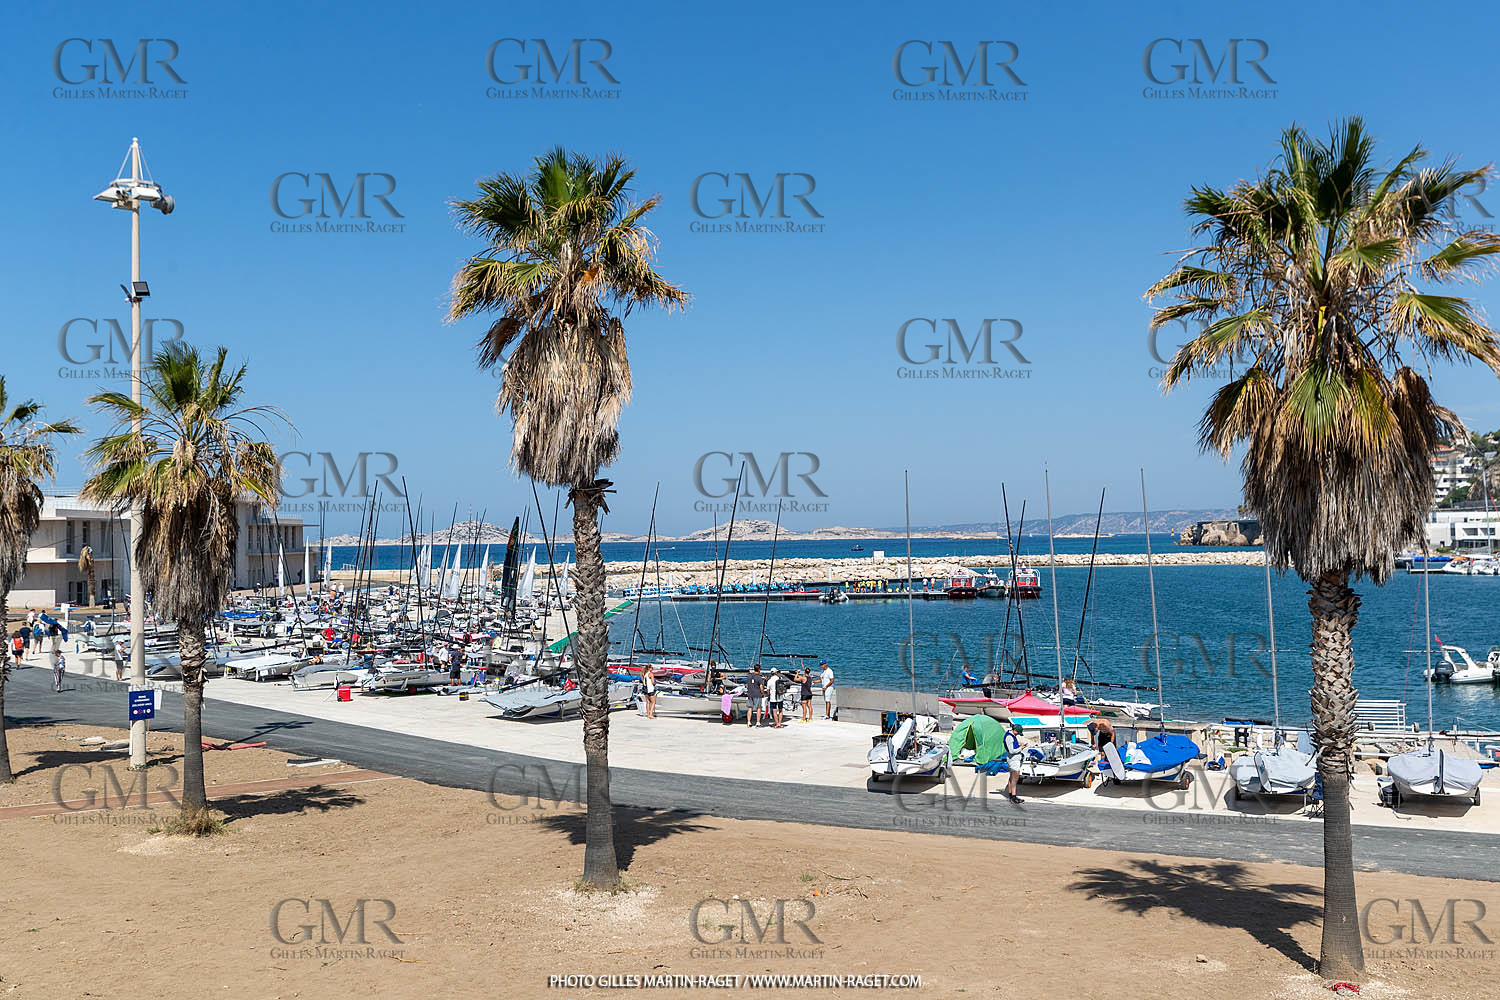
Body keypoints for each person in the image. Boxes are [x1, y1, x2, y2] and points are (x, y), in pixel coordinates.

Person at [1003, 720, 1027, 804]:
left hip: (1013, 759)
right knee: (1015, 779)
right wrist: (1021, 748)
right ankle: (1014, 796)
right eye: (1018, 733)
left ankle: (1010, 794)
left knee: (1011, 778)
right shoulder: (1009, 737)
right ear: (1015, 730)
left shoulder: (1011, 735)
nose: (1018, 734)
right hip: (1013, 760)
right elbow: (1012, 751)